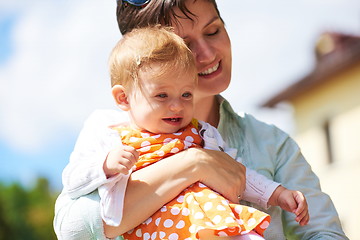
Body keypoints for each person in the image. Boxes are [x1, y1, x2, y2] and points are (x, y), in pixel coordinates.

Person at [53, 0, 348, 239]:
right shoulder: (107, 131)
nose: (206, 54)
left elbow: (325, 233)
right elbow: (73, 230)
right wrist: (194, 163)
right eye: (184, 45)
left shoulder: (271, 142)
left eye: (213, 31)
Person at [103, 26, 308, 240]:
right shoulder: (114, 140)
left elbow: (235, 172)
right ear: (123, 98)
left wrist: (277, 193)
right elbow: (81, 185)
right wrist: (105, 167)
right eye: (162, 95)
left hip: (217, 224)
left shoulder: (201, 133)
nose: (177, 106)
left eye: (186, 94)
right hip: (165, 232)